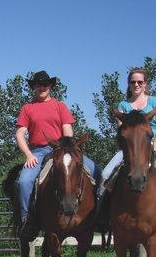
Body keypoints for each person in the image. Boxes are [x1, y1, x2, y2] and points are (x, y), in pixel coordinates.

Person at [96, 67, 156, 237]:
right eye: (133, 82)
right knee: (104, 175)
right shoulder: (123, 105)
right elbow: (122, 130)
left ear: (145, 84)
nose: (136, 84)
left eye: (140, 82)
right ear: (129, 85)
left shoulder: (154, 102)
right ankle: (99, 217)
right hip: (131, 148)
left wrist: (154, 145)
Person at [15, 71, 100, 239]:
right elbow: (20, 134)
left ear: (50, 86)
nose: (42, 87)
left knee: (98, 172)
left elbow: (67, 130)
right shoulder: (27, 108)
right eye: (38, 85)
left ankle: (99, 216)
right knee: (24, 181)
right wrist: (28, 155)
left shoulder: (60, 106)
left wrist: (70, 147)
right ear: (34, 87)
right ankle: (27, 221)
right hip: (38, 152)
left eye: (45, 84)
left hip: (62, 149)